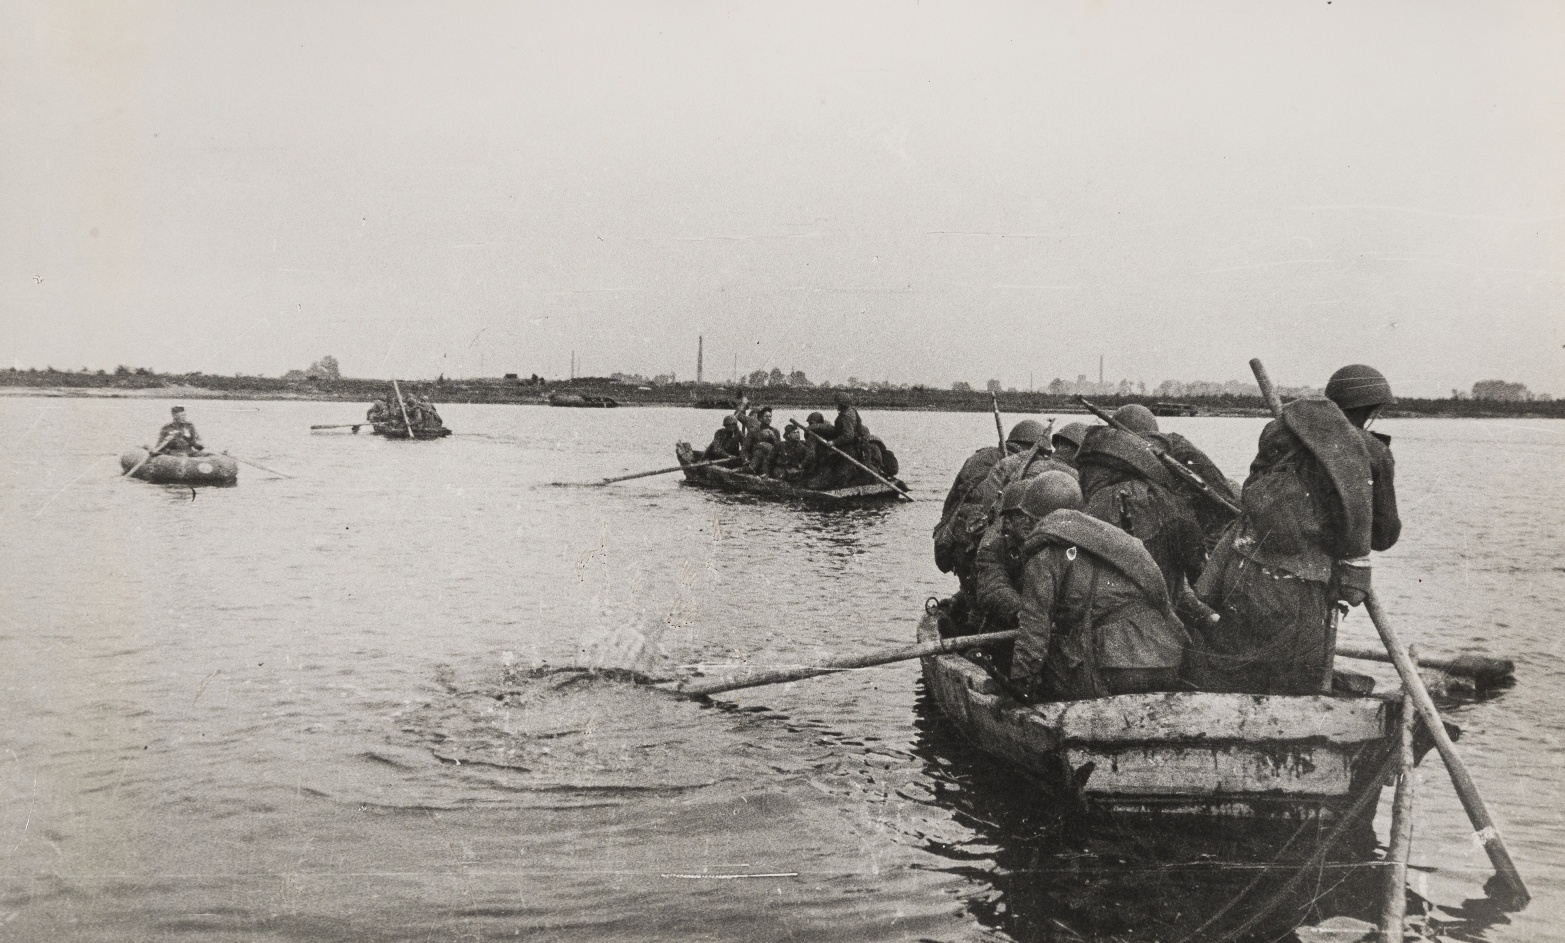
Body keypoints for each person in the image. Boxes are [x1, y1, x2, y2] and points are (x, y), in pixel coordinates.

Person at [1188, 365, 1402, 696]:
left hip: (1241, 572)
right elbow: (1385, 536)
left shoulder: (1277, 432)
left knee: (1231, 667)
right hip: (1303, 589)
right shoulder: (1372, 452)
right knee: (1298, 682)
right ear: (1371, 410)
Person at [1009, 476, 1192, 702]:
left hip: (1115, 668)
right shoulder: (1113, 540)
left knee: (1052, 663)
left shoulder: (1044, 556)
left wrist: (1020, 681)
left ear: (1033, 518)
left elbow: (1034, 627)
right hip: (1167, 657)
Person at [1074, 425, 1216, 629]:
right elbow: (1199, 579)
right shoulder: (1171, 504)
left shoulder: (1086, 511)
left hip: (1102, 636)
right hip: (1161, 636)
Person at [934, 420, 1057, 594]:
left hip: (960, 545)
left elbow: (950, 505)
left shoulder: (981, 459)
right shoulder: (1028, 467)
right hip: (986, 549)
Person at [745, 407, 782, 475]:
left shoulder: (775, 431)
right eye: (766, 416)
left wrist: (773, 437)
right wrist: (746, 459)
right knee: (760, 451)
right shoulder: (753, 431)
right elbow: (746, 448)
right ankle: (752, 469)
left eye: (770, 416)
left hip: (771, 458)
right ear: (760, 418)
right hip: (756, 457)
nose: (768, 418)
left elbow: (779, 447)